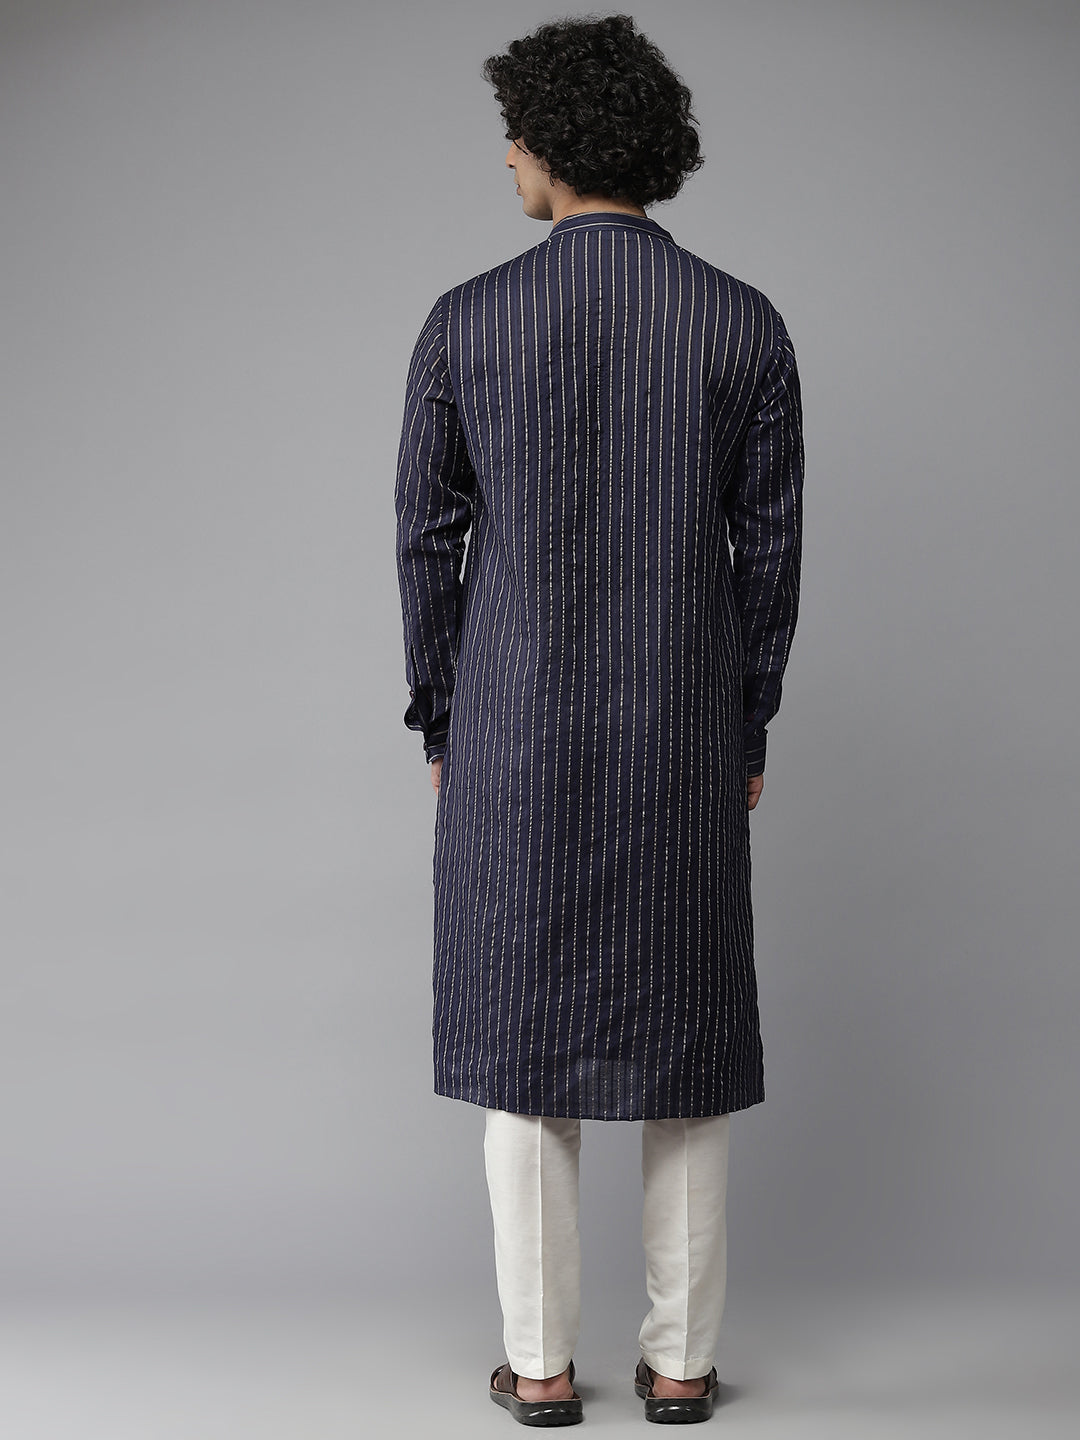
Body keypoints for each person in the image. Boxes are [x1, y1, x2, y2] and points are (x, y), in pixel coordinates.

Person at [394, 14, 804, 1426]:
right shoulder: (742, 322)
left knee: (524, 1044)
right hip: (681, 732)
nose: (505, 156)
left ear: (553, 145)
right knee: (687, 1045)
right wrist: (747, 726)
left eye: (512, 134)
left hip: (513, 735)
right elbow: (771, 557)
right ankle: (682, 1369)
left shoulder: (466, 320)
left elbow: (425, 544)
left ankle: (543, 1368)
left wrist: (443, 720)